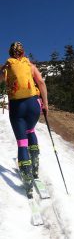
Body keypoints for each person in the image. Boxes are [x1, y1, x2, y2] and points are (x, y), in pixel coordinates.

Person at [0, 42, 48, 198]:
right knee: (31, 130)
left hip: (17, 106)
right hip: (34, 104)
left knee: (22, 142)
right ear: (23, 52)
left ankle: (27, 177)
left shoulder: (8, 67)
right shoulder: (29, 65)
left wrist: (3, 69)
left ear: (10, 53)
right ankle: (34, 165)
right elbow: (40, 82)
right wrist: (45, 104)